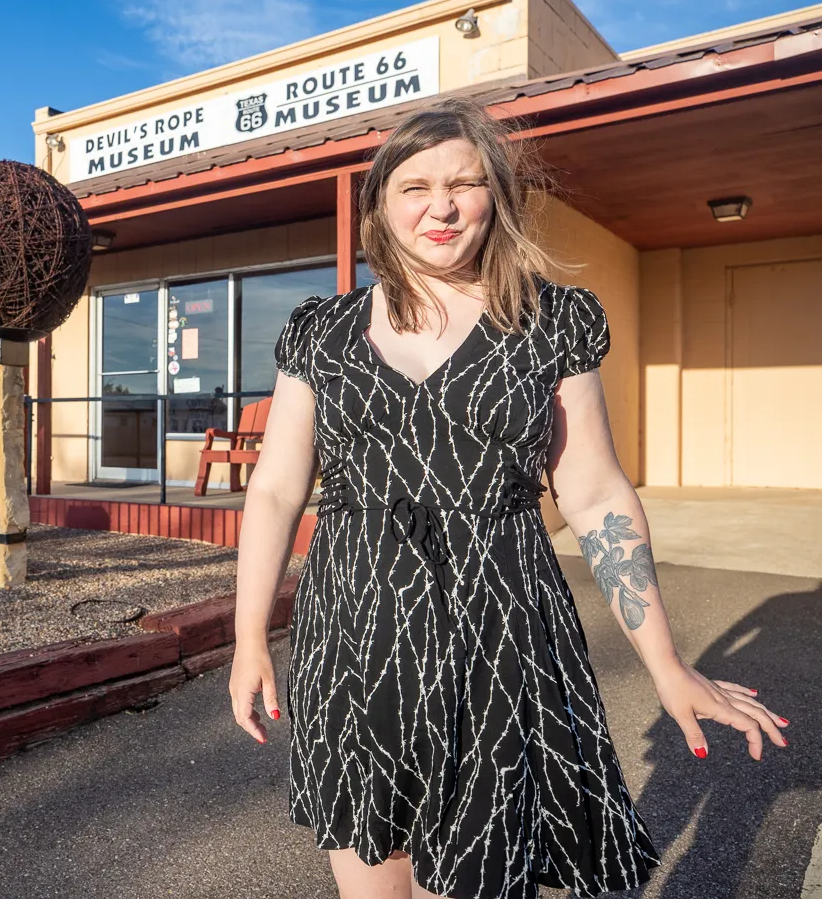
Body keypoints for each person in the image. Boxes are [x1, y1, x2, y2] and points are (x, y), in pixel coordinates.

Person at [227, 97, 790, 899]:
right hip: (355, 641)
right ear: (380, 205)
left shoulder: (551, 321)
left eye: (467, 182)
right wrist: (249, 638)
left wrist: (665, 664)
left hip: (502, 637)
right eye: (415, 186)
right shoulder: (321, 331)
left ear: (499, 196)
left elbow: (594, 495)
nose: (442, 205)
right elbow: (279, 487)